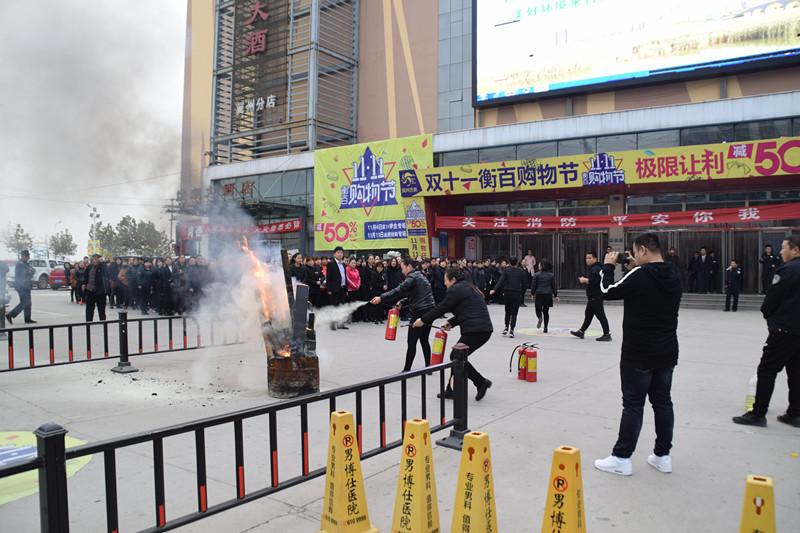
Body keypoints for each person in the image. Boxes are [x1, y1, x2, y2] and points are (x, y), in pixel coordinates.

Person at [593, 233, 682, 476]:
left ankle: (621, 458)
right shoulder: (673, 272)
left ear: (642, 250)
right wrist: (634, 268)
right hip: (666, 350)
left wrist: (608, 266)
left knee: (633, 405)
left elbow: (607, 290)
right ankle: (663, 455)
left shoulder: (640, 275)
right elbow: (647, 288)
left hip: (638, 353)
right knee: (663, 402)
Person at [733, 236, 800, 428]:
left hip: (784, 330)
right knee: (796, 372)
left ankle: (758, 413)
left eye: (784, 248)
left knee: (767, 371)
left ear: (795, 250)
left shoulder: (788, 270)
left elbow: (772, 299)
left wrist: (770, 318)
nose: (781, 251)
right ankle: (795, 413)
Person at [413, 268, 494, 401]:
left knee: (456, 356)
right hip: (482, 329)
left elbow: (442, 307)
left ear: (453, 280)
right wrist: (451, 322)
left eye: (446, 280)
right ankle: (451, 390)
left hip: (476, 330)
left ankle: (480, 382)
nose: (445, 283)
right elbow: (466, 310)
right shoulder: (468, 287)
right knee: (458, 356)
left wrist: (423, 320)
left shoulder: (455, 289)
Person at [371, 259, 436, 371]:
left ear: (409, 266)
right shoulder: (420, 275)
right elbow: (416, 294)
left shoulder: (412, 277)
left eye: (402, 268)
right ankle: (428, 367)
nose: (402, 271)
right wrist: (402, 301)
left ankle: (407, 370)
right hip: (429, 311)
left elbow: (398, 290)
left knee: (412, 341)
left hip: (419, 312)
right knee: (424, 340)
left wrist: (381, 297)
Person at [570, 251, 612, 342]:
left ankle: (607, 334)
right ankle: (581, 331)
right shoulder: (596, 267)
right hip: (593, 296)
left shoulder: (596, 268)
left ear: (595, 258)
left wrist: (584, 280)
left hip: (595, 296)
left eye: (589, 258)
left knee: (601, 316)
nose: (587, 260)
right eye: (586, 258)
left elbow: (594, 282)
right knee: (588, 315)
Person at [490, 258, 525, 338]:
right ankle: (512, 330)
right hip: (516, 293)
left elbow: (501, 281)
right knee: (514, 313)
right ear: (517, 263)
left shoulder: (506, 270)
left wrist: (494, 289)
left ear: (509, 263)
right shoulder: (521, 271)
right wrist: (521, 293)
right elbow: (524, 284)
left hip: (507, 292)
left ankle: (506, 327)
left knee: (507, 311)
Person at [5, 250, 36, 324]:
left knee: (28, 302)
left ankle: (27, 318)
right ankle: (10, 314)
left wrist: (31, 271)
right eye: (27, 256)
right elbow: (22, 275)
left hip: (26, 285)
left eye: (28, 256)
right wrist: (29, 272)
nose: (28, 257)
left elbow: (30, 273)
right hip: (22, 286)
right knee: (25, 302)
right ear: (23, 256)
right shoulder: (20, 264)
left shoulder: (26, 264)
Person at [325, 246, 348, 330]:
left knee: (341, 307)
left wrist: (346, 289)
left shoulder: (344, 264)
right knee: (334, 307)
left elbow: (344, 277)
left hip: (343, 288)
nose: (340, 254)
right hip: (334, 289)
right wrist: (329, 289)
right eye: (338, 252)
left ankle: (340, 324)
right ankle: (332, 324)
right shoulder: (331, 264)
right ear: (334, 254)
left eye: (341, 253)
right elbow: (328, 278)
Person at [532, 260, 559, 333]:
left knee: (538, 309)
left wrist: (532, 293)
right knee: (546, 311)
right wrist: (556, 295)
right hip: (548, 294)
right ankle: (545, 327)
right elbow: (553, 286)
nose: (538, 266)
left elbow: (534, 285)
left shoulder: (536, 275)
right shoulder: (551, 275)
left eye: (539, 265)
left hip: (539, 293)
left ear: (542, 266)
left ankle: (540, 317)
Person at [83, 254, 108, 321]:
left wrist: (103, 262)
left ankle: (102, 320)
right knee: (89, 308)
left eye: (96, 259)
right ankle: (89, 320)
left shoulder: (102, 266)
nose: (94, 260)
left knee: (101, 308)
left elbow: (106, 270)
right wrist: (84, 284)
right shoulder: (90, 267)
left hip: (100, 291)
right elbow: (85, 276)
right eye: (93, 259)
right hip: (90, 290)